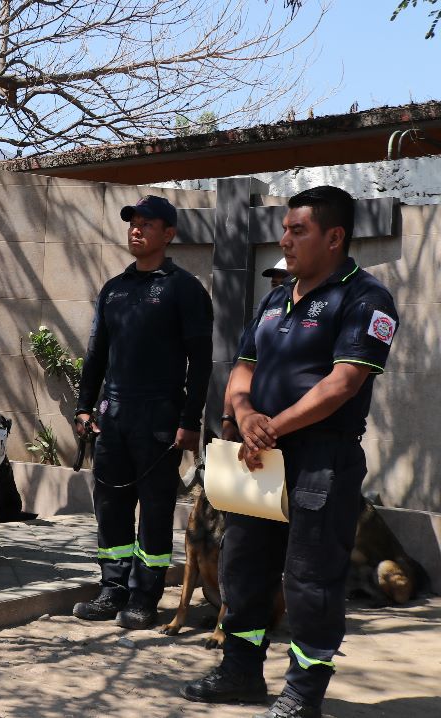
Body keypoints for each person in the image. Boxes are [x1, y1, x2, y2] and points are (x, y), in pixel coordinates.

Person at [181, 186, 398, 718]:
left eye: (298, 230)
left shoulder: (365, 299)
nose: (285, 240)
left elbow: (342, 383)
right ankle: (240, 672)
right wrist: (245, 415)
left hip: (321, 463)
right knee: (244, 569)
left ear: (334, 236)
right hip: (260, 458)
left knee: (311, 581)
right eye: (285, 228)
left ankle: (303, 692)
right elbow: (242, 367)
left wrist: (270, 425)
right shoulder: (276, 298)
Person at [71, 195, 213, 630]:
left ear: (168, 234)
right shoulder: (114, 288)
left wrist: (190, 421)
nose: (137, 229)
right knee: (110, 505)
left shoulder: (184, 288)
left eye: (148, 224)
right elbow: (96, 353)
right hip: (113, 415)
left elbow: (202, 361)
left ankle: (144, 595)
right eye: (133, 222)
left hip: (160, 416)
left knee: (154, 509)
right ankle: (112, 588)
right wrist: (84, 407)